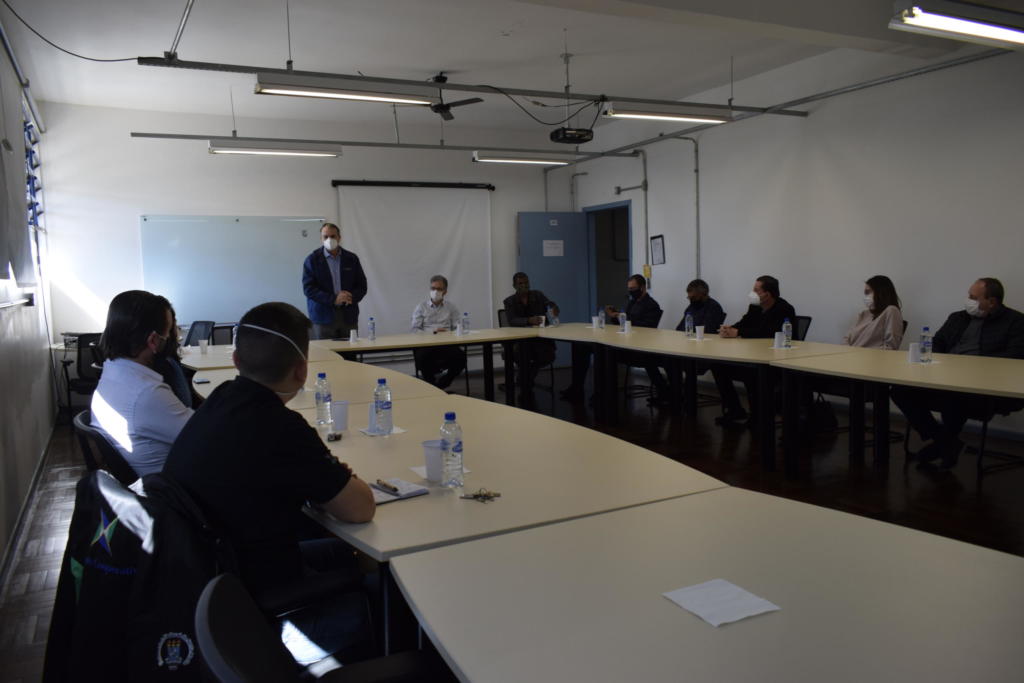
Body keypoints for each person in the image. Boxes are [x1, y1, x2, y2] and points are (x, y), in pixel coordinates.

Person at [164, 301, 376, 664]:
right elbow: (360, 508)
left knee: (344, 553)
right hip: (261, 615)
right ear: (301, 370)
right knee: (387, 595)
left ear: (236, 361)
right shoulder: (282, 428)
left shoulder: (219, 400)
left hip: (211, 580)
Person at [892, 278, 1024, 469]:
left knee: (953, 399)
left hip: (982, 387)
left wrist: (972, 367)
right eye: (968, 295)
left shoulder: (1016, 322)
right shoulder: (957, 318)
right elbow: (937, 342)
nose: (968, 300)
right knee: (900, 390)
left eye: (973, 297)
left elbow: (1015, 358)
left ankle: (944, 444)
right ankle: (945, 442)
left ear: (992, 302)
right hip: (945, 378)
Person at [91, 290, 194, 478]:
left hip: (147, 476)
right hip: (174, 486)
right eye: (169, 332)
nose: (173, 338)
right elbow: (206, 437)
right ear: (154, 340)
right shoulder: (147, 393)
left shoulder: (112, 372)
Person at [562, 274, 667, 402]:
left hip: (637, 348)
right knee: (581, 347)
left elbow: (647, 327)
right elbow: (624, 323)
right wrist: (615, 316)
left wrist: (622, 317)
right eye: (629, 289)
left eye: (633, 289)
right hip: (625, 342)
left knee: (603, 352)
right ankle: (576, 388)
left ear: (643, 288)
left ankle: (602, 394)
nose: (631, 292)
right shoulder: (632, 302)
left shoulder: (651, 305)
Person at [712, 275, 797, 426]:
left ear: (767, 294)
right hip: (754, 356)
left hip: (775, 361)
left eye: (756, 290)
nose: (752, 293)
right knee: (718, 366)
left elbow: (770, 332)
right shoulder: (755, 306)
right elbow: (745, 322)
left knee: (751, 373)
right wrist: (730, 328)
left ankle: (760, 416)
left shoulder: (784, 309)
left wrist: (739, 332)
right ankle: (734, 409)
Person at [302, 222, 368, 340]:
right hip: (322, 317)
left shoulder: (351, 259)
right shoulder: (312, 260)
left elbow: (362, 285)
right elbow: (309, 289)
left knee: (350, 350)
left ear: (339, 237)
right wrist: (333, 299)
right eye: (325, 237)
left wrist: (351, 297)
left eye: (333, 236)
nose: (329, 239)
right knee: (324, 351)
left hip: (348, 316)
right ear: (321, 239)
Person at [502, 272, 559, 390]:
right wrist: (529, 320)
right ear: (514, 286)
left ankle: (524, 379)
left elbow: (550, 307)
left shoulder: (538, 295)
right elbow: (512, 320)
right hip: (520, 341)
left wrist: (554, 309)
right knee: (521, 354)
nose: (524, 285)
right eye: (520, 283)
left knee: (548, 355)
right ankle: (525, 382)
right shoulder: (509, 301)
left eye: (526, 282)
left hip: (540, 340)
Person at [411, 275, 466, 390]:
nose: (435, 291)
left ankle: (440, 386)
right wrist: (433, 332)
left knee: (461, 358)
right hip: (426, 344)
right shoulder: (421, 307)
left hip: (446, 343)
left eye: (439, 289)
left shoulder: (451, 307)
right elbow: (415, 329)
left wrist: (449, 332)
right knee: (421, 358)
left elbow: (458, 327)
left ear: (445, 291)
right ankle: (432, 386)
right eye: (433, 288)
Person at [843, 275, 905, 349]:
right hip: (849, 353)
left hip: (869, 355)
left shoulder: (891, 311)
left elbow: (890, 347)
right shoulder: (864, 314)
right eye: (865, 293)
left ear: (880, 292)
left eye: (868, 292)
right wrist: (847, 350)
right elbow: (847, 338)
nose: (866, 297)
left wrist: (861, 353)